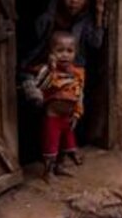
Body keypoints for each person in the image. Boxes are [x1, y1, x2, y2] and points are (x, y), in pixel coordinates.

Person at [31, 30, 85, 179]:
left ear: (75, 53)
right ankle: (48, 172)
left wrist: (76, 113)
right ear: (51, 52)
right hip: (52, 117)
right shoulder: (47, 72)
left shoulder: (78, 73)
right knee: (51, 144)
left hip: (67, 117)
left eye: (69, 51)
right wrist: (51, 67)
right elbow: (41, 85)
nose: (65, 55)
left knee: (65, 145)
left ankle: (60, 167)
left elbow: (79, 94)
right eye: (59, 51)